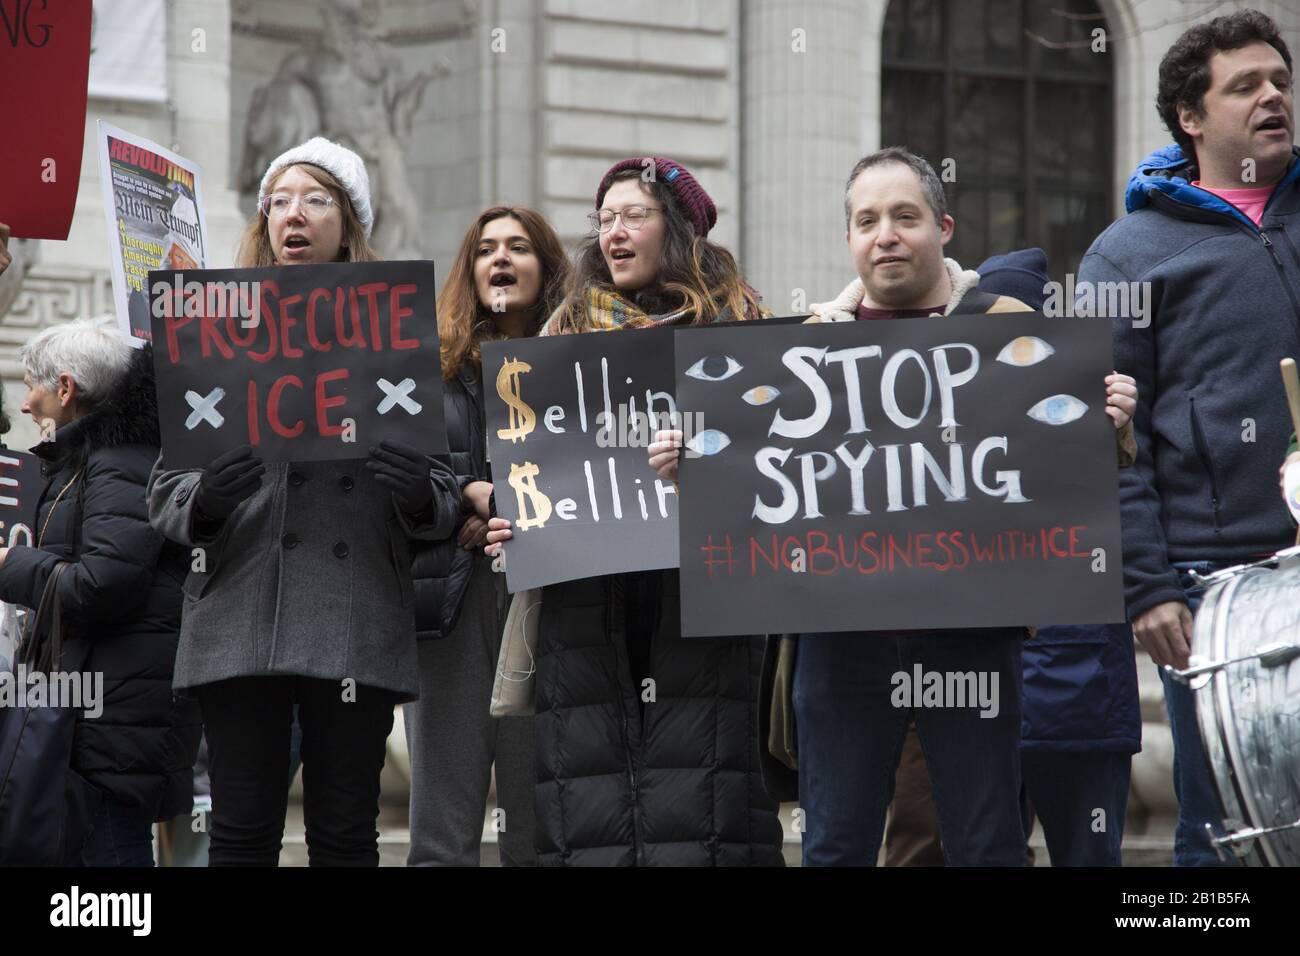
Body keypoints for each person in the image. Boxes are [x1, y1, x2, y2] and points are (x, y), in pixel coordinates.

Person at [731, 147, 1136, 867]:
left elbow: (1079, 475)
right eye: (866, 220)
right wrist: (686, 466)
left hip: (972, 633)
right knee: (834, 844)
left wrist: (1112, 425)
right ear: (850, 240)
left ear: (944, 227)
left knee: (987, 842)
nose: (884, 234)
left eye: (904, 216)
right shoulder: (804, 351)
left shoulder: (1012, 331)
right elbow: (748, 493)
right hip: (841, 638)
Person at [147, 137, 460, 866]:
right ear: (264, 222)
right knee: (242, 832)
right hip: (238, 615)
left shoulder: (398, 335)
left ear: (348, 224)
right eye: (280, 201)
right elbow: (164, 490)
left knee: (346, 835)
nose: (296, 214)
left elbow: (444, 495)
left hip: (352, 614)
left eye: (317, 200)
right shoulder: (213, 328)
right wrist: (207, 501)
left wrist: (419, 492)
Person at [485, 157, 785, 867]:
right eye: (605, 219)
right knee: (589, 811)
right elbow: (536, 465)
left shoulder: (744, 327)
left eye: (634, 216)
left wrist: (707, 469)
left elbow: (781, 473)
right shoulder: (560, 339)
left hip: (707, 608)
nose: (614, 232)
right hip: (587, 613)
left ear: (678, 229)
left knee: (707, 808)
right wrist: (513, 516)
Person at [1078, 9, 1298, 867]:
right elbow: (1099, 441)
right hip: (1216, 597)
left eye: (1280, 80)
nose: (1273, 95)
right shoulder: (1120, 258)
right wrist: (1146, 587)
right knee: (1226, 835)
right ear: (1191, 118)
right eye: (1245, 85)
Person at [0, 317, 201, 866]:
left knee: (110, 872)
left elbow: (103, 583)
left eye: (31, 386)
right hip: (99, 714)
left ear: (66, 389)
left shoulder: (120, 464)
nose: (25, 405)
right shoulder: (104, 459)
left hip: (110, 726)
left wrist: (10, 563)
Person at [404, 205, 568, 866]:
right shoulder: (427, 373)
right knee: (442, 833)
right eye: (486, 249)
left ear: (546, 267)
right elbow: (399, 474)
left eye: (519, 247)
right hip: (452, 602)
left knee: (536, 830)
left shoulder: (577, 365)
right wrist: (464, 495)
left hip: (548, 603)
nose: (500, 259)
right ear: (469, 271)